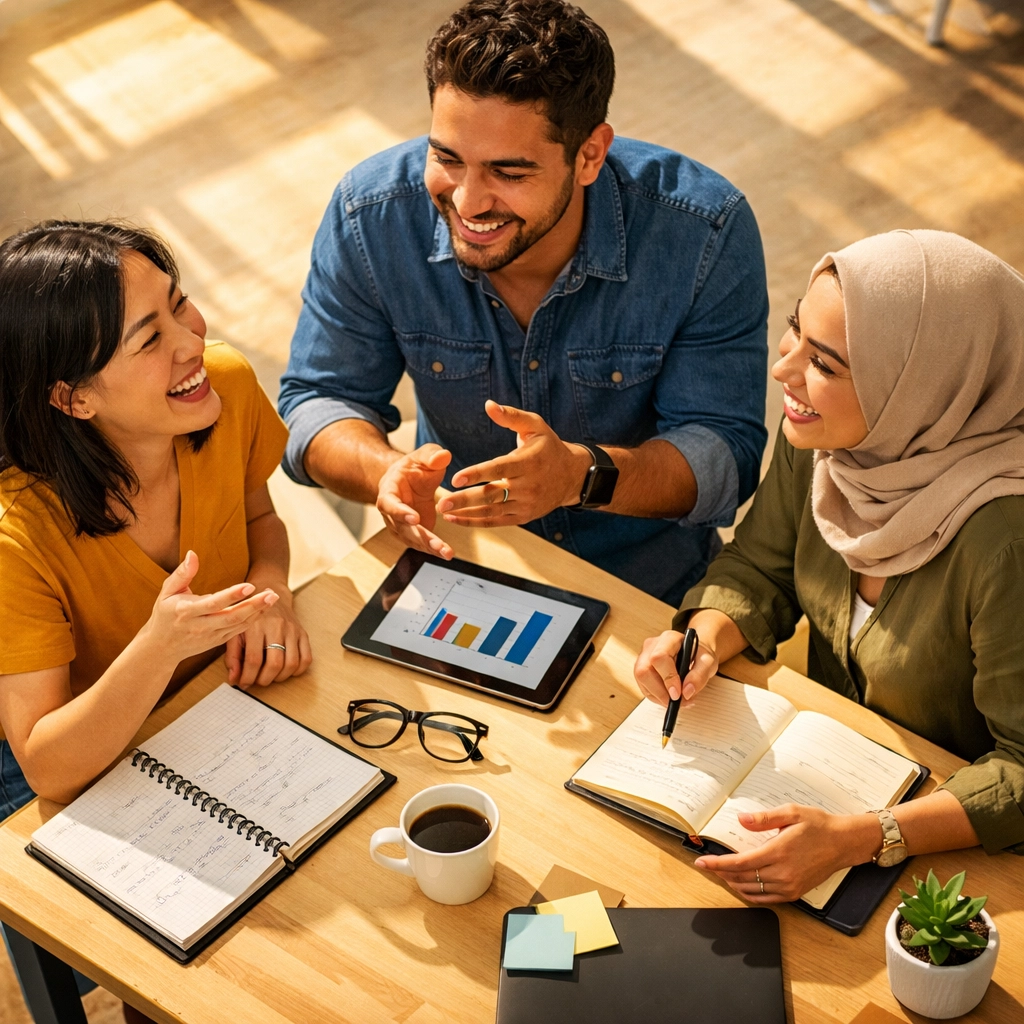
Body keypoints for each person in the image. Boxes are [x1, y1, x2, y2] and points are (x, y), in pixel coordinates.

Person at [278, 0, 768, 606]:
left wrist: (580, 476)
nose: (468, 201)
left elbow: (726, 452)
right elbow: (316, 402)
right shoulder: (370, 216)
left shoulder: (703, 232)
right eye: (448, 158)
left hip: (647, 586)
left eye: (509, 172)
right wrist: (385, 471)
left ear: (590, 155)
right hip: (459, 571)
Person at [634, 229, 1024, 902]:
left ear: (919, 387)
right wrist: (701, 641)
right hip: (815, 797)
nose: (784, 372)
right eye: (794, 334)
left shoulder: (1005, 542)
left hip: (942, 861)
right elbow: (760, 567)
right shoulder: (830, 443)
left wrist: (861, 837)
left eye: (826, 364)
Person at [0, 221, 311, 1024]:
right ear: (71, 397)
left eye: (180, 307)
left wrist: (270, 585)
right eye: (150, 338)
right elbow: (45, 764)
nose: (191, 341)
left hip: (214, 716)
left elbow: (258, 518)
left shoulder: (226, 387)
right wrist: (160, 643)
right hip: (89, 754)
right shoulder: (16, 537)